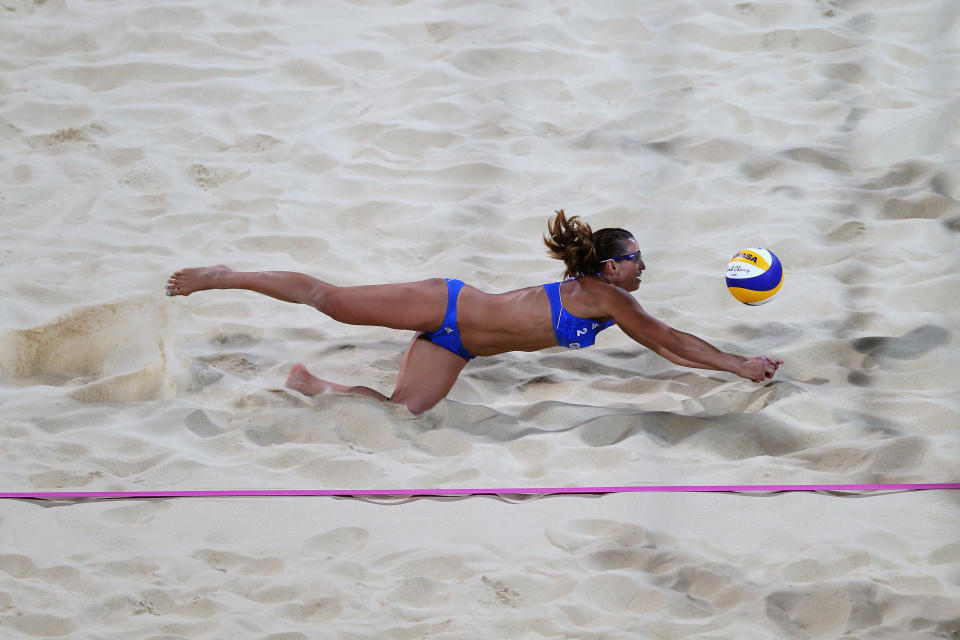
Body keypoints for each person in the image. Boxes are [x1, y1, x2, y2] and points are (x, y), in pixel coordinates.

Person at [166, 210, 783, 413]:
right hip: (447, 302)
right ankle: (221, 276)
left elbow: (666, 347)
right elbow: (673, 335)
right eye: (637, 258)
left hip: (457, 344)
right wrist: (739, 364)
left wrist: (731, 368)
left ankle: (310, 383)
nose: (644, 267)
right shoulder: (608, 298)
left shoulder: (611, 304)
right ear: (609, 267)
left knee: (401, 411)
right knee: (331, 301)